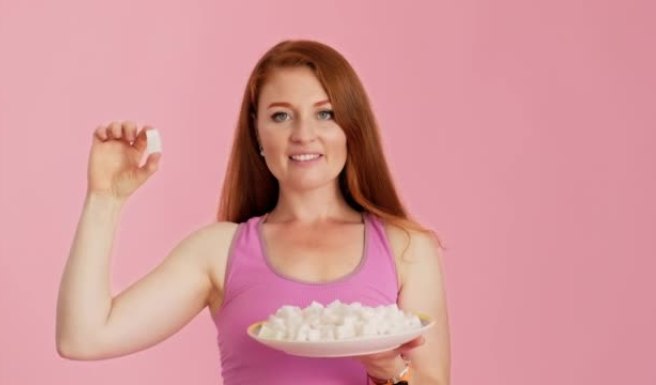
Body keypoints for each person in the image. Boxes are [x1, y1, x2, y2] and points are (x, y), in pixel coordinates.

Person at [56, 40, 451, 385]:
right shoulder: (218, 252)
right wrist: (104, 199)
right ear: (257, 132)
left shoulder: (406, 248)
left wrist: (390, 374)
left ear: (352, 127)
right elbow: (83, 337)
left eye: (325, 113)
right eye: (281, 115)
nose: (303, 134)